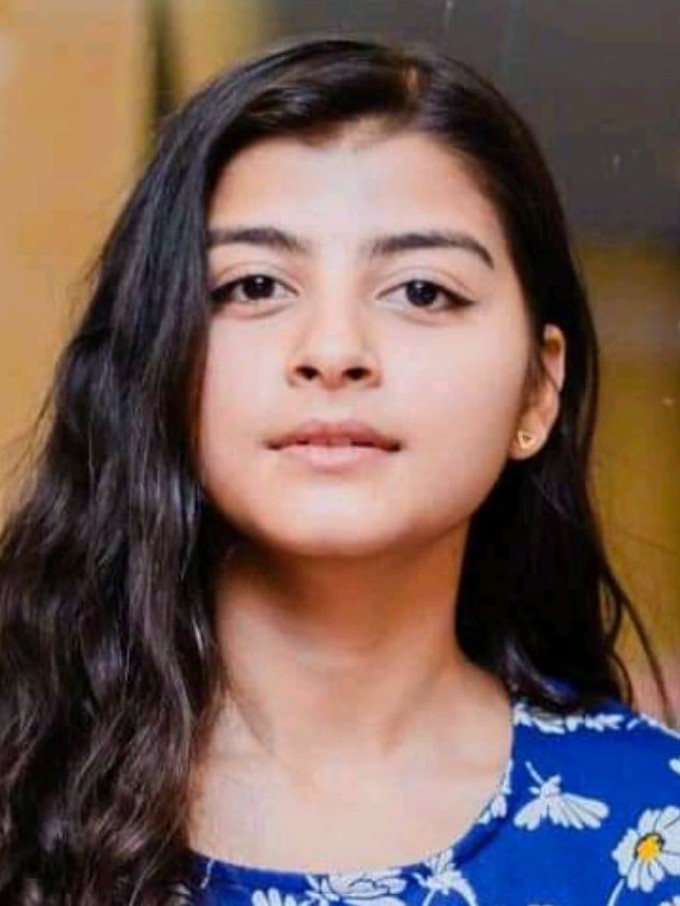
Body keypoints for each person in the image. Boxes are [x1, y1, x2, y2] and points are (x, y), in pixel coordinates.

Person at [0, 34, 678, 906]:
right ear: (154, 358)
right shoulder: (21, 787)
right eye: (253, 286)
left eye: (422, 291)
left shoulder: (651, 825)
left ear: (537, 391)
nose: (333, 349)